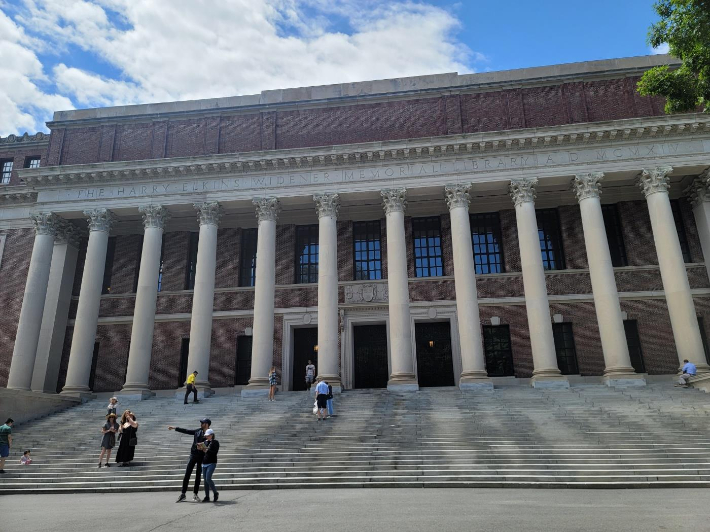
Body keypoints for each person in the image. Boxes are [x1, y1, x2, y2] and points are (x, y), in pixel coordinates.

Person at [169, 418, 210, 502]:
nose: (201, 424)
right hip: (193, 455)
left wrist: (203, 445)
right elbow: (187, 431)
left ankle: (195, 494)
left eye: (202, 423)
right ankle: (183, 494)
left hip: (201, 456)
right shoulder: (198, 431)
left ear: (206, 424)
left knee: (198, 476)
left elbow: (209, 442)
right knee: (187, 473)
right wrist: (175, 428)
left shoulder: (210, 433)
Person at [200, 428, 220, 502]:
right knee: (205, 480)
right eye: (206, 436)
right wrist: (200, 448)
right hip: (204, 463)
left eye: (208, 435)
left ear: (212, 435)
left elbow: (214, 452)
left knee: (208, 478)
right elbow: (203, 452)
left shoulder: (215, 442)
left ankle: (215, 493)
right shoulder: (204, 442)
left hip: (212, 462)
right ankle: (207, 496)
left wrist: (207, 450)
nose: (207, 437)